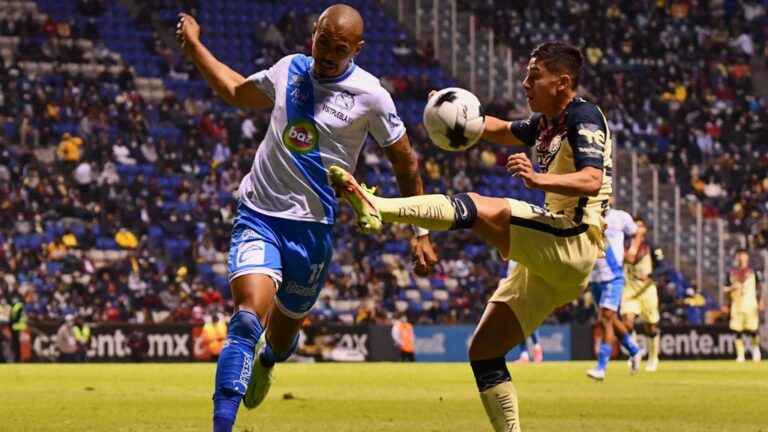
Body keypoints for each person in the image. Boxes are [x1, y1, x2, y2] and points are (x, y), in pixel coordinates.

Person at [176, 5, 437, 432]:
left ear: (357, 49)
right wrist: (194, 46)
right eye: (323, 42)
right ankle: (222, 424)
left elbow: (406, 164)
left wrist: (420, 231)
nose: (328, 55)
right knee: (246, 320)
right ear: (313, 34)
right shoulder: (289, 69)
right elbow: (235, 90)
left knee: (280, 341)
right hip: (259, 215)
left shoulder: (371, 95)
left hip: (313, 232)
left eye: (340, 49)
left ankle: (268, 360)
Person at [331, 41, 611, 432]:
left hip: (573, 237)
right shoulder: (546, 122)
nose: (525, 83)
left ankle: (378, 207)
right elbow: (498, 129)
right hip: (553, 263)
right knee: (484, 351)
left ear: (562, 82)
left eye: (535, 76)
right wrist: (448, 107)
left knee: (477, 205)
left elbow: (592, 178)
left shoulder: (584, 116)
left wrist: (537, 179)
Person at [586, 201, 643, 380]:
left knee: (604, 319)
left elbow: (638, 232)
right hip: (595, 278)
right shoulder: (587, 217)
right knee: (610, 319)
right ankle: (634, 349)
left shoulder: (620, 217)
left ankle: (601, 367)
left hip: (614, 276)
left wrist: (633, 249)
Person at [621, 217, 667, 372]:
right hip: (630, 289)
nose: (637, 229)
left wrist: (650, 276)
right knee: (627, 322)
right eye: (635, 226)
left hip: (647, 291)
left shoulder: (651, 246)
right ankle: (634, 352)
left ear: (645, 229)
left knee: (651, 326)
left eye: (640, 226)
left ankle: (653, 357)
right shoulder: (625, 244)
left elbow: (664, 267)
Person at [724, 249, 764, 362]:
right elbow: (725, 289)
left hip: (750, 305)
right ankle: (740, 355)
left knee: (753, 330)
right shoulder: (731, 272)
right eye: (739, 256)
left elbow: (761, 286)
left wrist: (761, 300)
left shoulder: (753, 272)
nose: (741, 258)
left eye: (743, 255)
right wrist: (729, 295)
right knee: (737, 331)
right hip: (736, 306)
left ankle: (756, 350)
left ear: (747, 257)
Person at [10, 297, 26, 363]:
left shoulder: (17, 306)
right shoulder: (20, 306)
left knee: (16, 343)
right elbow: (16, 317)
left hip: (15, 327)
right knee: (17, 344)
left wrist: (12, 322)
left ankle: (17, 358)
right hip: (18, 327)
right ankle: (17, 358)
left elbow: (14, 317)